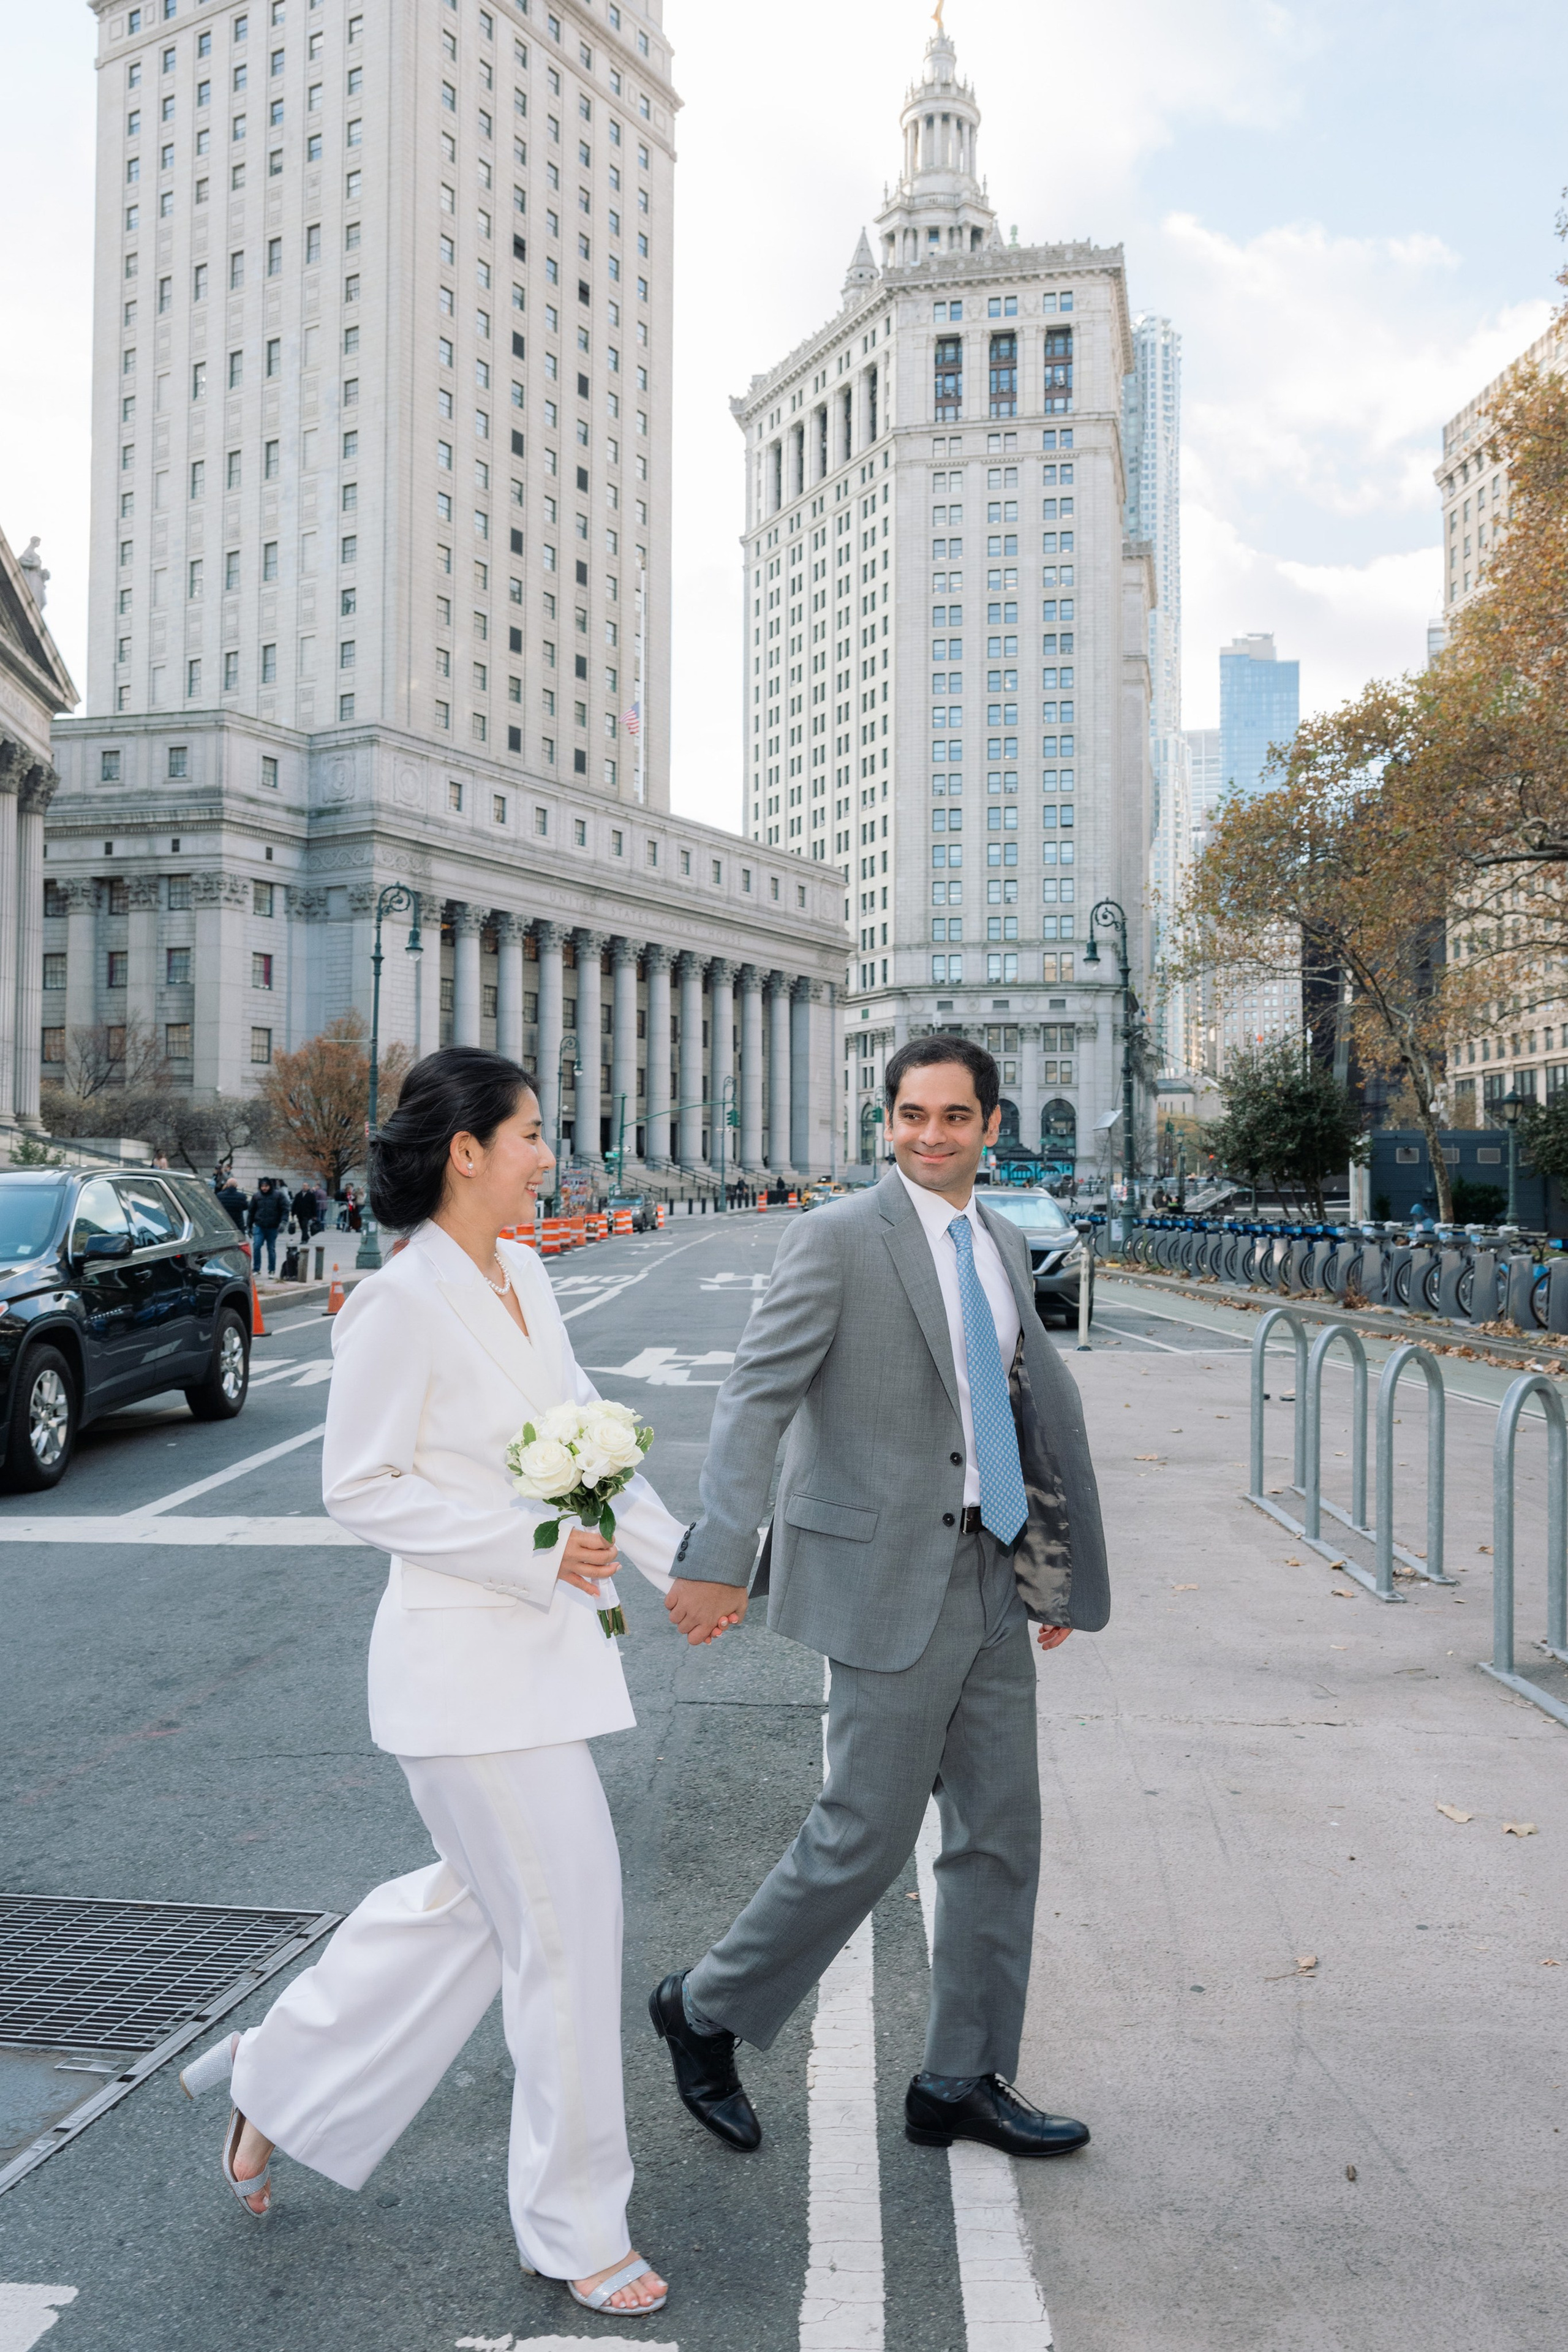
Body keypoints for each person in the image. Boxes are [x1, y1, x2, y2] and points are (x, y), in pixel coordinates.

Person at [178, 1049, 733, 2315]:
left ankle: (276, 2077)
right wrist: (537, 1550)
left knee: (472, 1915)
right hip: (463, 1682)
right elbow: (358, 1486)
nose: (549, 1153)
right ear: (467, 1150)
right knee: (569, 1927)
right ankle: (573, 2224)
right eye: (532, 1133)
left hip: (533, 1669)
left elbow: (588, 1438)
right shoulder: (399, 1299)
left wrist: (682, 1570)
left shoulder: (525, 1274)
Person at [652, 1036, 1110, 2161]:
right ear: (888, 1121)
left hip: (993, 1570)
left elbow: (1016, 1407)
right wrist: (720, 1550)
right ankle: (705, 2008)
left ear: (990, 1127)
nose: (930, 1136)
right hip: (884, 1576)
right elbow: (756, 1396)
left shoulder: (999, 1237)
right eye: (912, 1115)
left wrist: (1047, 1557)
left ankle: (961, 2075)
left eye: (955, 1117)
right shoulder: (839, 1238)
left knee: (1001, 1838)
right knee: (864, 1832)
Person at [248, 1177, 287, 1273]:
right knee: (257, 1246)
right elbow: (251, 1212)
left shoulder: (278, 1196)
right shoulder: (257, 1196)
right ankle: (257, 1268)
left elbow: (285, 1209)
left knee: (271, 1249)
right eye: (262, 1186)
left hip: (273, 1227)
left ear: (270, 1186)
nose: (264, 1188)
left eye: (266, 1186)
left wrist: (284, 1222)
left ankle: (272, 1270)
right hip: (260, 1225)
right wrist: (249, 1226)